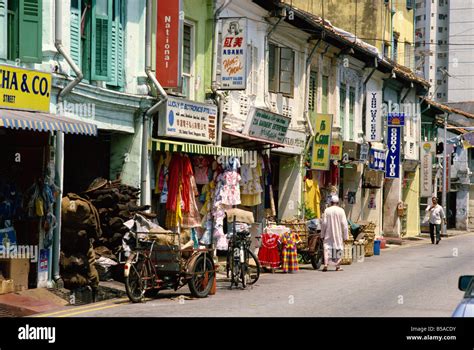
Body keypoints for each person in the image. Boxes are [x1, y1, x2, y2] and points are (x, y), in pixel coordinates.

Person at [320, 195, 349, 271]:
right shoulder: (341, 210)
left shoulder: (327, 210)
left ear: (331, 202)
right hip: (338, 233)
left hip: (328, 232)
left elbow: (324, 223)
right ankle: (337, 266)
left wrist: (322, 234)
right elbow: (344, 224)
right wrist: (346, 236)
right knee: (338, 247)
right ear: (338, 203)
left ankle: (326, 264)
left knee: (327, 247)